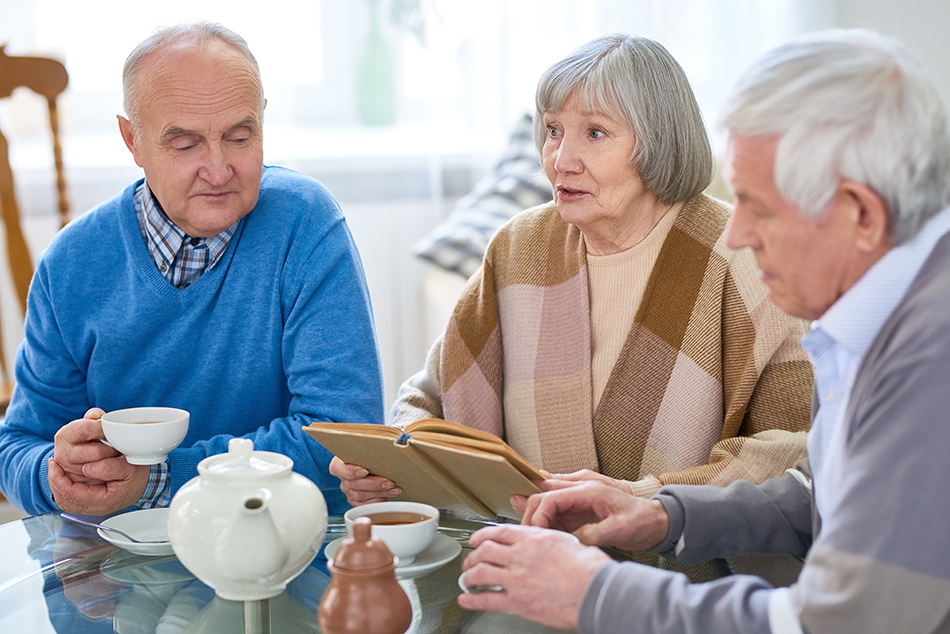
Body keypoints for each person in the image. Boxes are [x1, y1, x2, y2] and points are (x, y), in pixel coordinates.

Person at [457, 28, 950, 633]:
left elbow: (839, 623)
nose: (736, 233)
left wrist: (593, 592)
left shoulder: (930, 362)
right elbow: (837, 500)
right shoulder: (876, 319)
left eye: (758, 207)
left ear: (861, 215)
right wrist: (663, 512)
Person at [333, 33, 812, 578]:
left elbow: (796, 449)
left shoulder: (740, 254)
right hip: (525, 567)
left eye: (596, 133)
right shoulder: (519, 247)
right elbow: (430, 398)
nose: (561, 159)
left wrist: (651, 502)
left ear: (660, 142)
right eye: (553, 129)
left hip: (680, 590)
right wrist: (394, 461)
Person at [0, 22, 384, 518]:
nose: (219, 169)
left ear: (262, 121)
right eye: (185, 145)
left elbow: (344, 435)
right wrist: (57, 474)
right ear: (131, 140)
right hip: (122, 562)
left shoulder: (305, 223)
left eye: (240, 137)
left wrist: (156, 481)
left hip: (283, 544)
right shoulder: (71, 263)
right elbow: (19, 444)